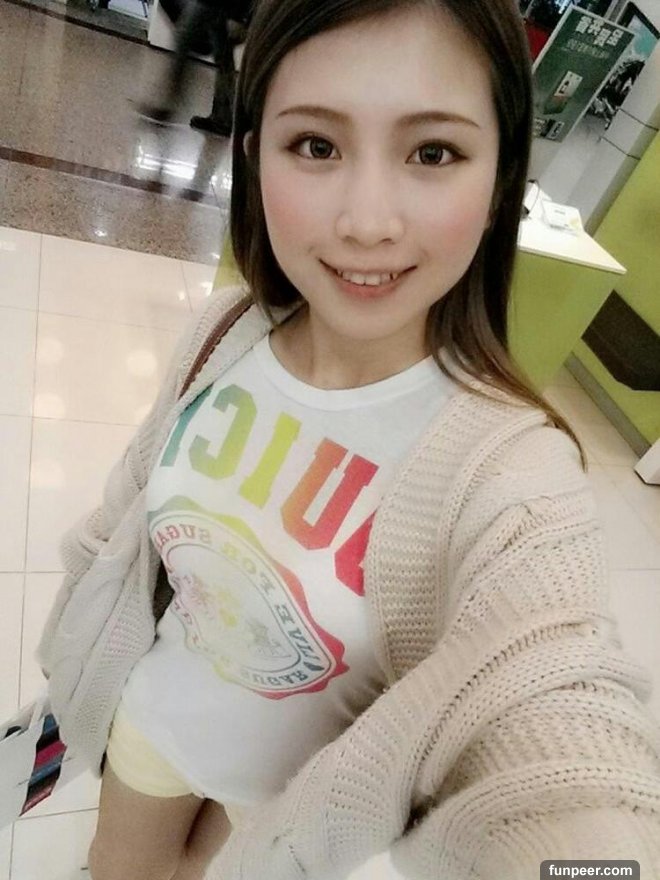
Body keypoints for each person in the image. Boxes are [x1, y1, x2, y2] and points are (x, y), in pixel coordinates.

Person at [38, 0, 660, 878]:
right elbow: (119, 525)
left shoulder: (513, 471)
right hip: (154, 720)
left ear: (500, 183)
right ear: (254, 158)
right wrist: (75, 657)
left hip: (289, 812)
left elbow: (559, 730)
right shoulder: (226, 333)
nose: (369, 222)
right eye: (316, 145)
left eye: (432, 153)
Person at [139, 0, 251, 137]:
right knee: (222, 57)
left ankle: (168, 106)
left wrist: (240, 18)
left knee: (186, 39)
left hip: (222, 7)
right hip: (216, 5)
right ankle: (224, 117)